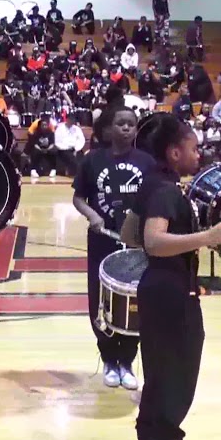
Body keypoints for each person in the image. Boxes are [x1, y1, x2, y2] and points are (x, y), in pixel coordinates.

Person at [120, 114, 221, 440]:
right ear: (174, 152)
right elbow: (152, 240)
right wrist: (206, 236)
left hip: (154, 288)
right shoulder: (168, 191)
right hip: (172, 293)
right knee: (178, 376)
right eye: (193, 148)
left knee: (157, 372)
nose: (198, 155)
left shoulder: (151, 183)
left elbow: (128, 233)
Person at [72, 105, 155, 388]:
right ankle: (108, 359)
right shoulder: (92, 161)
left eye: (131, 124)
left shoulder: (147, 162)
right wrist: (92, 215)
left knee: (135, 300)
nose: (126, 128)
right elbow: (79, 198)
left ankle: (127, 362)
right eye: (120, 123)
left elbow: (155, 198)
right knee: (100, 300)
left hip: (136, 245)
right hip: (102, 241)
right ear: (108, 129)